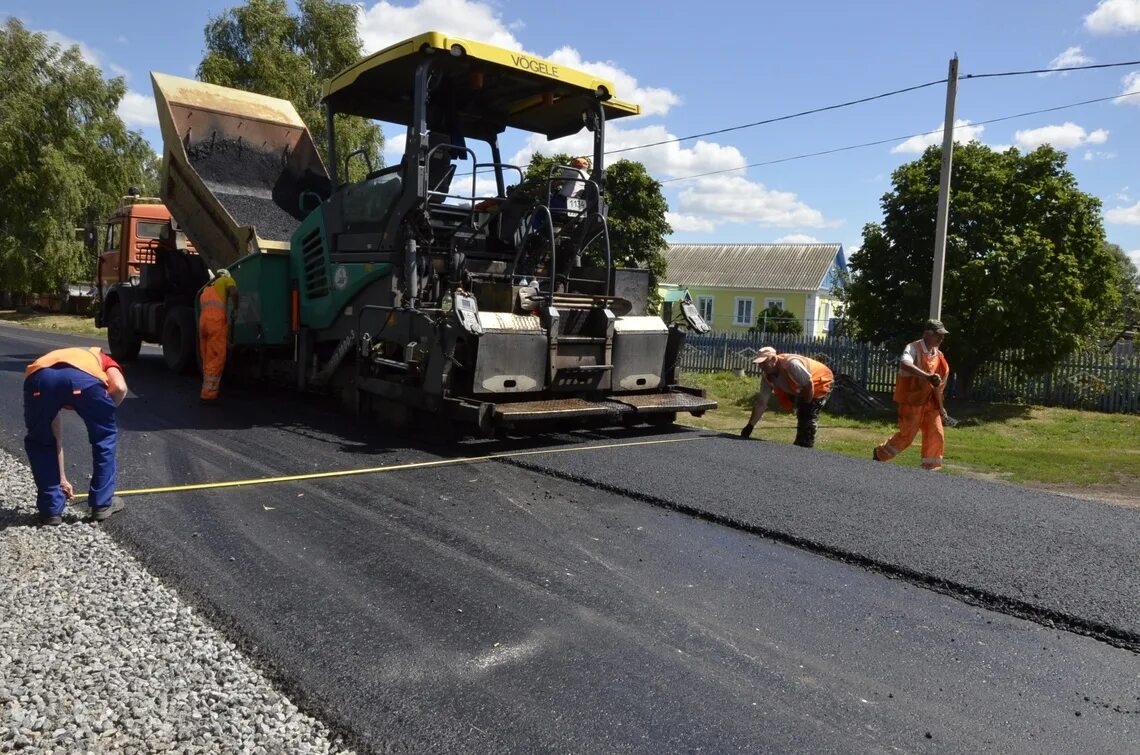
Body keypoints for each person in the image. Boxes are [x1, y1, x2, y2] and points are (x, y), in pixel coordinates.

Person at [23, 346, 129, 525]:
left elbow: (54, 436)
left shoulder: (46, 361)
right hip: (85, 382)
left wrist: (61, 479)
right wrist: (102, 414)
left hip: (39, 381)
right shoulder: (100, 357)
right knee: (104, 439)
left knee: (41, 442)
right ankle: (102, 505)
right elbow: (119, 387)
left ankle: (50, 510)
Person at [873, 319, 951, 470]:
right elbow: (905, 363)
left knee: (936, 433)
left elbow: (937, 387)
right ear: (927, 334)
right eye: (938, 335)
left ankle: (931, 466)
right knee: (907, 435)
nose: (941, 338)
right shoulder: (913, 348)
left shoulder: (939, 355)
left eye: (942, 335)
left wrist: (941, 409)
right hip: (912, 400)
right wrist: (927, 376)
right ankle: (880, 454)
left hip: (930, 402)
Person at [740, 347, 834, 448]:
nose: (761, 366)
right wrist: (750, 426)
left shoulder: (792, 364)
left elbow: (808, 384)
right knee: (802, 413)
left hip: (822, 381)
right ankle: (800, 445)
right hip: (802, 387)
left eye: (764, 362)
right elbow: (761, 403)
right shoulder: (767, 376)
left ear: (774, 359)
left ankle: (805, 447)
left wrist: (805, 404)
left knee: (807, 415)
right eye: (759, 363)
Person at [199, 268, 239, 404]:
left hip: (203, 324)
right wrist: (236, 306)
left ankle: (207, 389)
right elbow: (233, 291)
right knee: (217, 357)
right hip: (215, 324)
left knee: (207, 358)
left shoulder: (206, 289)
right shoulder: (227, 280)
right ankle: (208, 395)